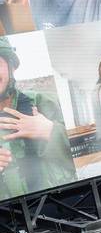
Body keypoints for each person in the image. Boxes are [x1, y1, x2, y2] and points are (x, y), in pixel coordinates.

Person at [0, 36, 75, 201]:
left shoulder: (47, 103)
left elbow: (92, 160)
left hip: (66, 203)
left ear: (11, 66)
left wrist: (50, 131)